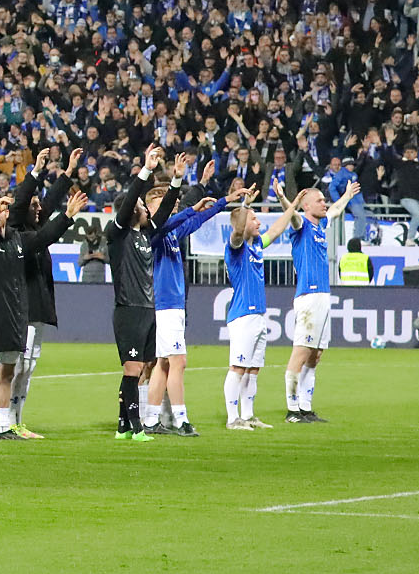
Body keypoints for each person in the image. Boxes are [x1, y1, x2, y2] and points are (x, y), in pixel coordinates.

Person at [144, 169, 239, 436]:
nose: (169, 209)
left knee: (164, 362)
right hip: (167, 304)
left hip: (172, 304)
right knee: (178, 361)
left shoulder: (171, 233)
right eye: (163, 205)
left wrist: (223, 202)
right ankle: (181, 419)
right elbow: (169, 222)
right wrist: (190, 209)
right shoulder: (154, 231)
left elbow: (196, 222)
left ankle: (151, 419)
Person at [104, 145, 178, 441]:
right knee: (133, 368)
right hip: (129, 309)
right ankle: (136, 427)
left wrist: (176, 181)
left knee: (141, 366)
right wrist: (145, 169)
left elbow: (164, 211)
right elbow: (130, 201)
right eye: (144, 206)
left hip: (148, 307)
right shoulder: (118, 233)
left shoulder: (145, 233)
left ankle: (123, 426)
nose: (149, 210)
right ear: (135, 208)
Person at [8, 148, 79, 439]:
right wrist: (35, 171)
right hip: (23, 307)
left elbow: (47, 202)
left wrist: (68, 172)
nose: (39, 209)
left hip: (39, 306)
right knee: (19, 365)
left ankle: (19, 420)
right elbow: (24, 201)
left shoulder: (34, 223)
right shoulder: (15, 229)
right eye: (33, 205)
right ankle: (8, 419)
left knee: (30, 366)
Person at [284, 179, 359, 423]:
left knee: (316, 354)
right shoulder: (301, 224)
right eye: (318, 200)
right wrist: (285, 200)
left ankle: (305, 407)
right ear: (306, 205)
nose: (324, 203)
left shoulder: (320, 226)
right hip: (308, 296)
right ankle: (292, 410)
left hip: (323, 296)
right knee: (301, 352)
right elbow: (292, 217)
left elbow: (336, 210)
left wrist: (346, 195)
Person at [223, 193, 293, 430]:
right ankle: (233, 418)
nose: (259, 223)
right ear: (243, 223)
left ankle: (249, 415)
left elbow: (275, 231)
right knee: (238, 368)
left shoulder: (256, 247)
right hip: (243, 317)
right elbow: (238, 231)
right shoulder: (236, 247)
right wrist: (245, 206)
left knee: (253, 370)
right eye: (254, 219)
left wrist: (292, 207)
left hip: (258, 316)